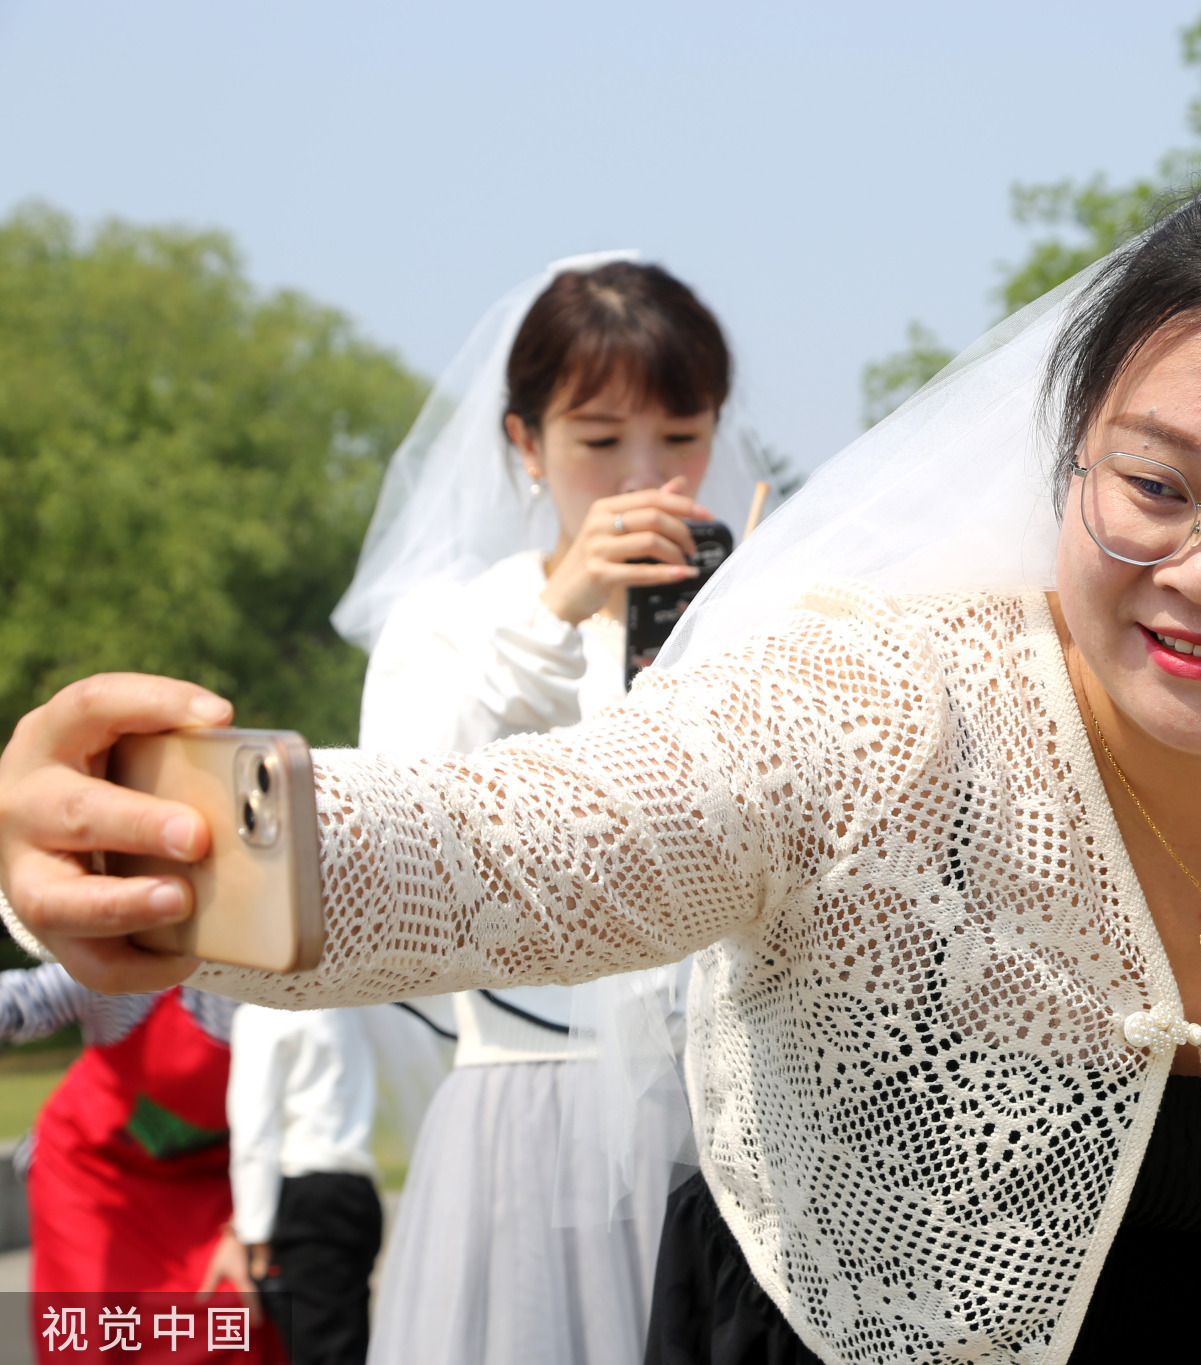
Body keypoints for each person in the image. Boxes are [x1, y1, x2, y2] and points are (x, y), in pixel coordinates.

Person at [0, 169, 1201, 1365]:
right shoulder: (876, 706)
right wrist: (172, 853)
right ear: (1070, 458)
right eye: (1152, 484)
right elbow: (539, 837)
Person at [332, 254, 735, 1365]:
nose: (644, 477)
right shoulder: (451, 633)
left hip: (723, 1130)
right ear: (524, 444)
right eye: (599, 443)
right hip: (525, 1113)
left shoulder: (752, 626)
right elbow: (392, 837)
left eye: (680, 434)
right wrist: (558, 609)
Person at [0, 963, 284, 1363]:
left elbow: (292, 1125)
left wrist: (243, 1230)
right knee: (93, 1330)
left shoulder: (291, 1000)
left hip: (206, 1190)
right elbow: (25, 999)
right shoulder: (133, 971)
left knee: (237, 1321)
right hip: (89, 1178)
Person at [227, 1005, 385, 1365]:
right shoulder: (349, 1005)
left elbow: (255, 1132)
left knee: (320, 1350)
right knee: (347, 1342)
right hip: (356, 1191)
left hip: (306, 1196)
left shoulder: (263, 1011)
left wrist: (254, 1234)